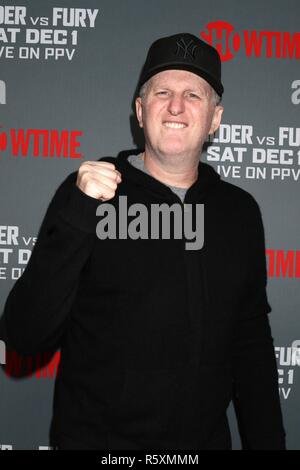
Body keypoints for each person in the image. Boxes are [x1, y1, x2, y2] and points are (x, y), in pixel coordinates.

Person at [0, 33, 286, 450]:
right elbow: (24, 334)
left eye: (193, 95)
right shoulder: (87, 194)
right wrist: (80, 215)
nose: (176, 106)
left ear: (215, 119)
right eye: (162, 92)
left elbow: (251, 347)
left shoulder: (239, 213)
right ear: (140, 109)